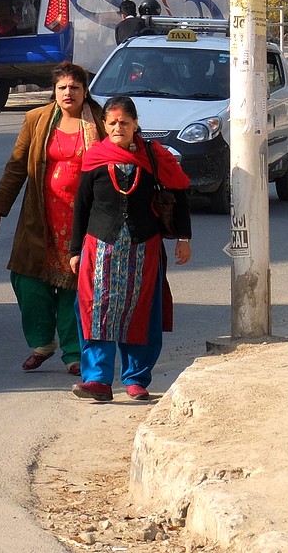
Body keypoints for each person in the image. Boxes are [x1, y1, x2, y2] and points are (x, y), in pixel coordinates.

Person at [69, 95, 193, 402]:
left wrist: (184, 238)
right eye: (111, 122)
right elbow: (81, 208)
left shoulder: (154, 156)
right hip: (100, 249)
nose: (117, 127)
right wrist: (75, 251)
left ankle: (136, 379)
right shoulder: (95, 158)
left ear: (136, 124)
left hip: (143, 248)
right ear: (104, 124)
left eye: (124, 122)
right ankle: (97, 379)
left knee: (141, 312)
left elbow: (179, 192)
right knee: (96, 311)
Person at [0, 63, 105, 376]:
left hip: (83, 220)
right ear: (55, 90)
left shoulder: (101, 121)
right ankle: (41, 342)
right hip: (40, 215)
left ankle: (74, 354)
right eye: (62, 87)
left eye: (74, 88)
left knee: (73, 287)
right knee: (26, 278)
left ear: (85, 91)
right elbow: (16, 166)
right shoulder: (37, 120)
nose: (68, 93)